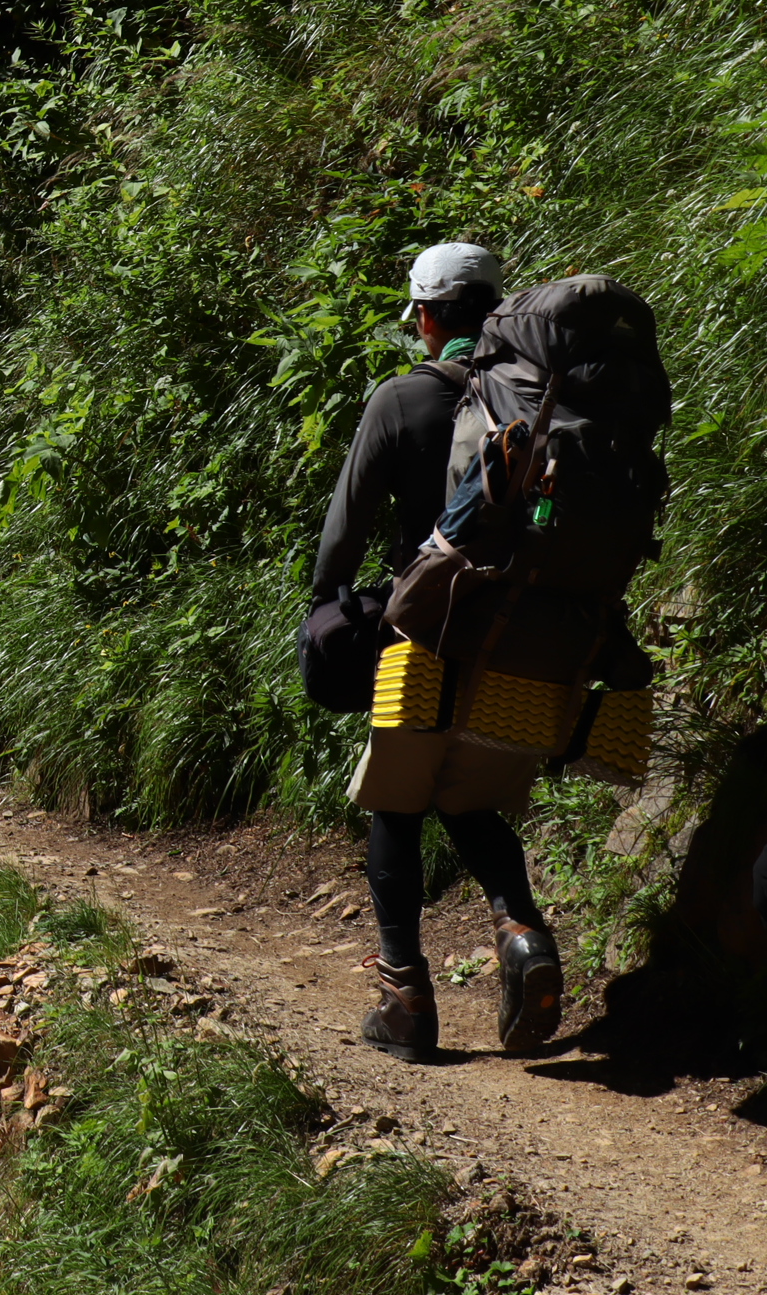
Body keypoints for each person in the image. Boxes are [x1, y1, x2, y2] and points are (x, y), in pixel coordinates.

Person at [312, 241, 562, 1063]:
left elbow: (344, 530)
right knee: (468, 796)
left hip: (423, 634)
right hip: (522, 639)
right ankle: (522, 932)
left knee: (397, 801)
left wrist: (327, 603)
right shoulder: (540, 397)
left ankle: (406, 999)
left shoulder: (402, 399)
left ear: (425, 316)